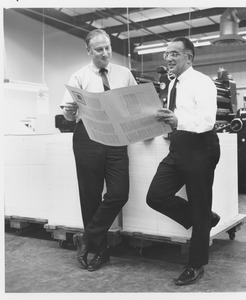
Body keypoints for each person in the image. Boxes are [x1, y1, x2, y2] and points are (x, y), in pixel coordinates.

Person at [60, 29, 137, 271]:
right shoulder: (79, 76)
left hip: (116, 136)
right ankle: (100, 252)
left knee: (119, 193)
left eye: (107, 48)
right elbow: (68, 113)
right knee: (90, 196)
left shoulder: (124, 74)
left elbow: (135, 102)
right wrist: (71, 110)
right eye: (99, 49)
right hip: (88, 136)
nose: (105, 53)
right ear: (89, 51)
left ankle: (87, 238)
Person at [146, 37, 221, 286]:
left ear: (189, 57)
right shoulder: (171, 83)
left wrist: (177, 121)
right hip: (179, 146)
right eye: (166, 54)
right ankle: (205, 220)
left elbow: (207, 120)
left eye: (174, 54)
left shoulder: (203, 82)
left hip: (201, 147)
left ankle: (196, 264)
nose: (168, 58)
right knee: (156, 196)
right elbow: (175, 116)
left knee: (199, 204)